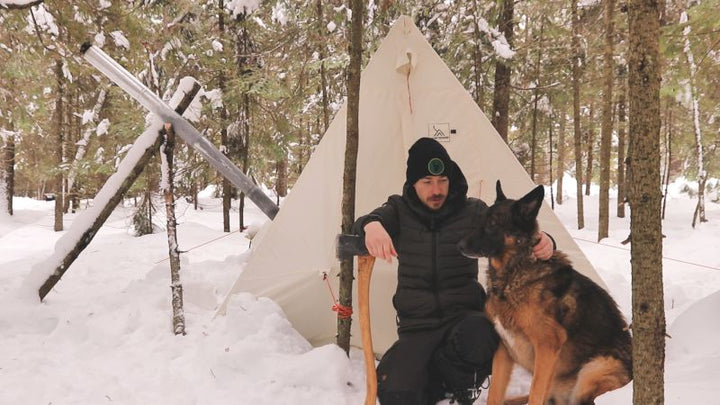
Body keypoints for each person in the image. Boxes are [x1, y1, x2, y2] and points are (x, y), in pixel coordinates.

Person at [352, 137, 555, 405]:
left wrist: (548, 241)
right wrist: (371, 225)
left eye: (442, 181)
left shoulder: (473, 212)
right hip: (418, 326)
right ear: (413, 184)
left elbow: (512, 225)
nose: (436, 190)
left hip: (465, 317)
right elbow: (363, 223)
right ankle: (436, 376)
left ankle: (455, 382)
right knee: (394, 392)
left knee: (483, 335)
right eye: (427, 182)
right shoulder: (398, 210)